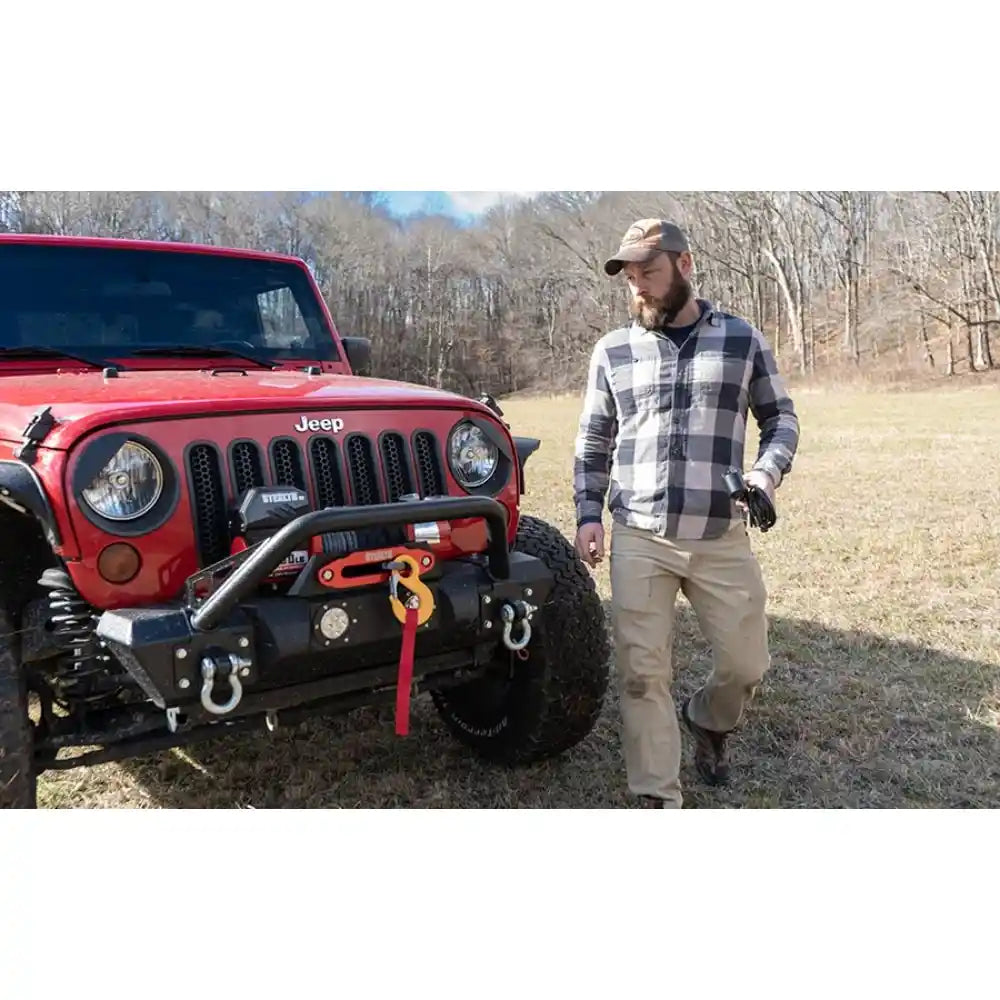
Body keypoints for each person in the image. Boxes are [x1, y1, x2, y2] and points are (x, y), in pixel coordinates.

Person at [573, 218, 800, 808]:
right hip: (640, 535)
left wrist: (763, 474)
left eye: (649, 271)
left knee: (746, 665)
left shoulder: (741, 338)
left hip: (719, 534)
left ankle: (708, 719)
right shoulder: (613, 351)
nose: (639, 287)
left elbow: (781, 419)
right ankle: (657, 797)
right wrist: (588, 513)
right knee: (642, 674)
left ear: (685, 265)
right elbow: (594, 438)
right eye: (629, 277)